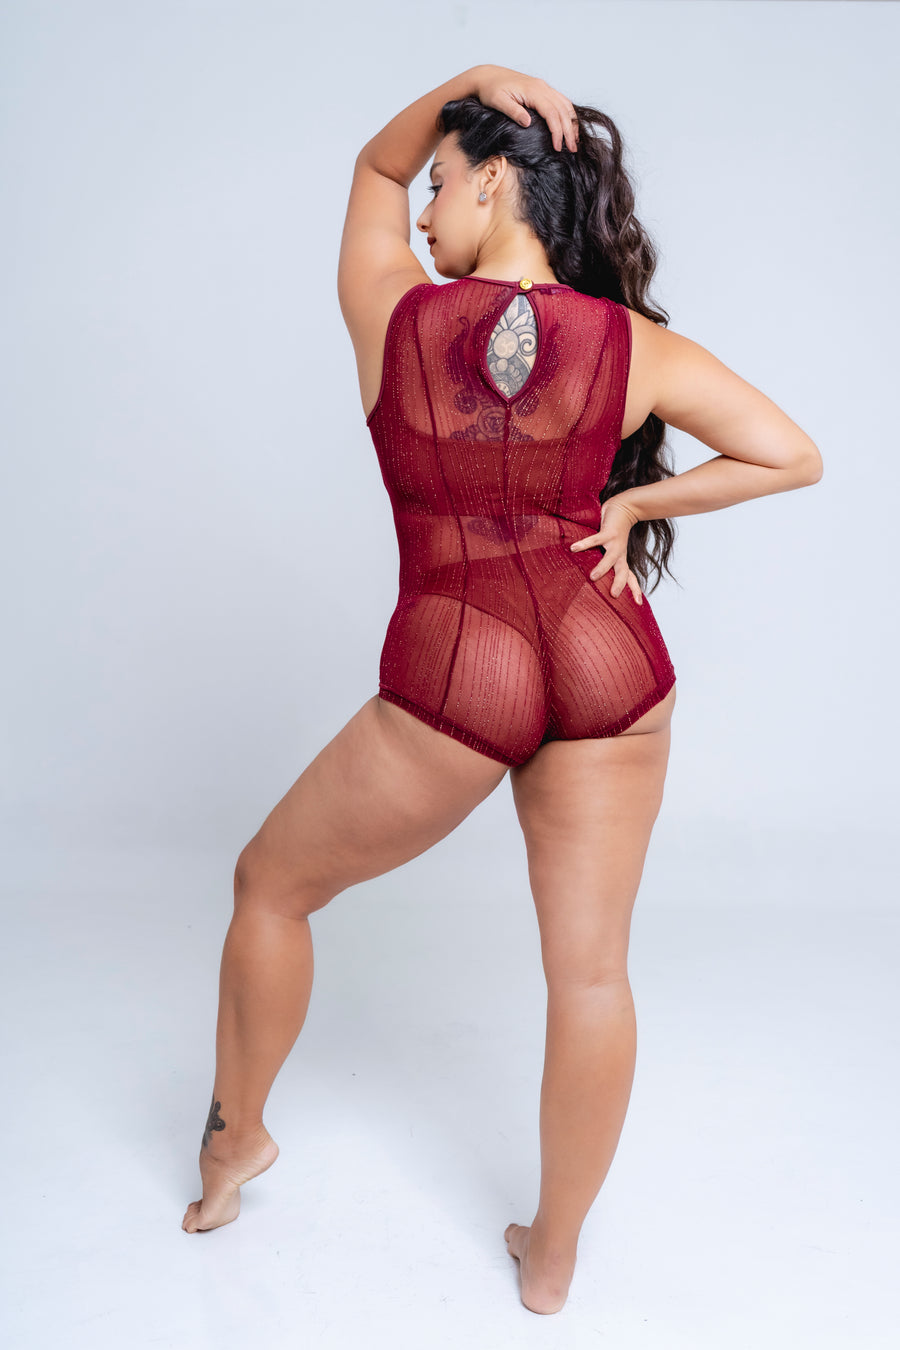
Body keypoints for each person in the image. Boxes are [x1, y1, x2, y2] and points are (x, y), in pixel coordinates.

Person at [181, 64, 823, 1315]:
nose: (423, 210)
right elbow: (791, 454)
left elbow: (370, 168)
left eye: (442, 185)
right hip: (605, 651)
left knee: (271, 885)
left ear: (491, 179)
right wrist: (634, 501)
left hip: (460, 658)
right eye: (425, 190)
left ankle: (231, 1148)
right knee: (591, 975)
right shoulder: (630, 344)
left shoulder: (396, 318)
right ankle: (554, 1260)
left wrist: (464, 81)